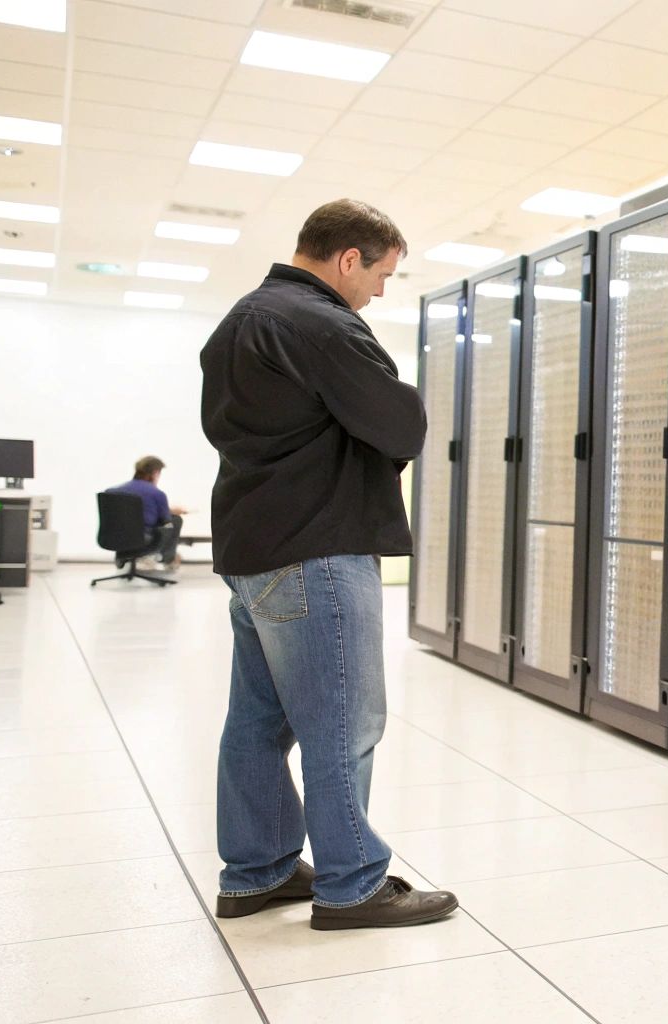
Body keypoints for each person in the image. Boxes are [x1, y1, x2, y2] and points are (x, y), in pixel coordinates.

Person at [198, 199, 456, 930]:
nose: (379, 291)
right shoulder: (323, 324)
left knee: (256, 722)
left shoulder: (238, 322)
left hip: (253, 551)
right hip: (317, 548)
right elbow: (400, 423)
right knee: (344, 722)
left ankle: (256, 872)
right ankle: (351, 884)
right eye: (381, 275)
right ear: (350, 259)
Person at [108, 456, 188, 571]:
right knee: (175, 520)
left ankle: (122, 555)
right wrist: (169, 512)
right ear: (155, 473)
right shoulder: (157, 494)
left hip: (113, 538)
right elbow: (165, 520)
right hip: (142, 539)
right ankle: (168, 559)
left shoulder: (112, 492)